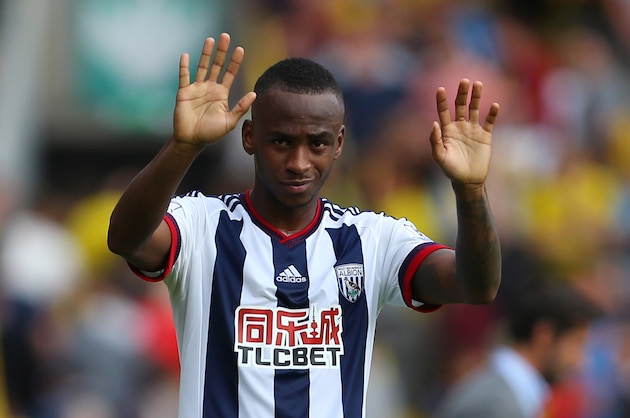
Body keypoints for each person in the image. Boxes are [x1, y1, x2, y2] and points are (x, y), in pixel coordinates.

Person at [107, 32, 502, 418]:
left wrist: (471, 191)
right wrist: (183, 147)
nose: (299, 162)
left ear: (339, 143)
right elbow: (127, 239)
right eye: (281, 142)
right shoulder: (202, 226)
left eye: (317, 143)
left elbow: (475, 285)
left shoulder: (372, 240)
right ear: (250, 137)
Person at [433, 280, 601, 418]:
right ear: (545, 336)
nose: (581, 361)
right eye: (577, 342)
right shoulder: (497, 405)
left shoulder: (508, 395)